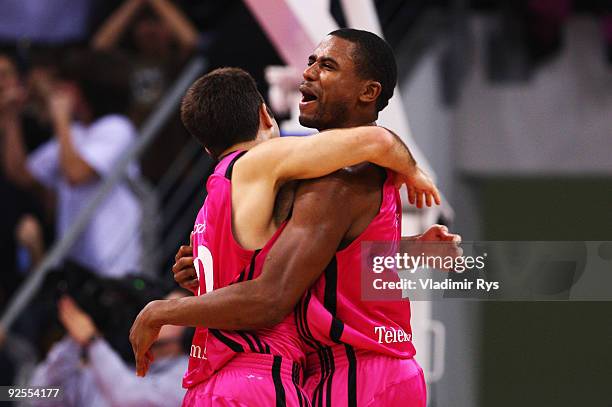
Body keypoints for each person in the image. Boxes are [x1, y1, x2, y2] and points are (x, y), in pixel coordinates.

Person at [130, 65, 439, 406]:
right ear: (265, 115)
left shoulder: (209, 207)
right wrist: (413, 171)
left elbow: (301, 263)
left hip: (207, 384)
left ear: (206, 148)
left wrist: (406, 248)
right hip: (258, 376)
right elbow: (377, 140)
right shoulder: (257, 161)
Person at [2, 50, 142, 278]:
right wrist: (11, 118)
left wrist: (60, 118)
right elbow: (21, 175)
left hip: (114, 265)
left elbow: (76, 174)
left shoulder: (117, 128)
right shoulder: (74, 133)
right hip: (77, 265)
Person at [30, 292, 189, 407]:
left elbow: (130, 397)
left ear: (191, 331)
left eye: (170, 315)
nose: (157, 318)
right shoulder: (114, 358)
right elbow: (37, 395)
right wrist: (75, 340)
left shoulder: (188, 375)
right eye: (159, 307)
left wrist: (93, 342)